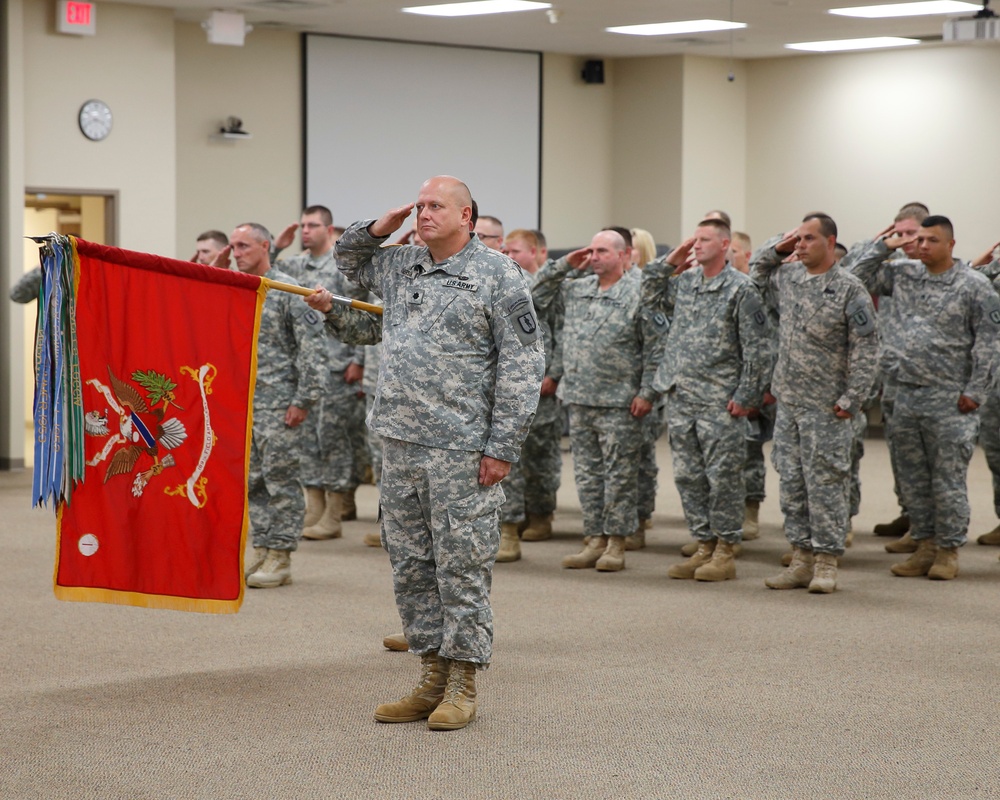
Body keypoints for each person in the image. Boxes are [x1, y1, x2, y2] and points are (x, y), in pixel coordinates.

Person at [335, 176, 544, 731]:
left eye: (435, 206)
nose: (424, 214)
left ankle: (462, 682)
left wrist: (502, 447)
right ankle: (429, 675)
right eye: (420, 205)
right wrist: (383, 224)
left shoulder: (499, 274)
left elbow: (523, 368)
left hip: (460, 446)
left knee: (461, 567)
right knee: (411, 566)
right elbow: (348, 257)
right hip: (400, 442)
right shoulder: (401, 264)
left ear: (467, 215)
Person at [849, 215, 1000, 580]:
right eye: (918, 239)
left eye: (932, 240)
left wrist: (976, 392)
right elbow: (851, 277)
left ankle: (947, 550)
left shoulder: (974, 285)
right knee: (914, 478)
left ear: (950, 244)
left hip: (949, 398)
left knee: (946, 479)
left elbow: (989, 344)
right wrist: (884, 245)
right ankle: (924, 543)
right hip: (903, 394)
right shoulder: (902, 274)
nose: (922, 246)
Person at [751, 213, 879, 594]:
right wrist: (780, 245)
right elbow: (756, 271)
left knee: (825, 483)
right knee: (792, 482)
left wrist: (853, 398)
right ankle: (801, 557)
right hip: (789, 403)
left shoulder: (848, 288)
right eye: (798, 239)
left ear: (830, 241)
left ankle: (826, 562)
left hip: (827, 406)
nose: (801, 245)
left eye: (809, 239)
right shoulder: (787, 277)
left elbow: (867, 347)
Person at [532, 229, 665, 573]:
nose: (595, 257)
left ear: (625, 256)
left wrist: (647, 392)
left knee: (619, 476)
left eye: (604, 251)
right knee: (588, 476)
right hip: (579, 397)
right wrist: (563, 265)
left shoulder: (640, 291)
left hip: (620, 401)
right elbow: (536, 296)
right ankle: (593, 538)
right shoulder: (578, 289)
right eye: (592, 250)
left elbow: (654, 348)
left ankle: (617, 542)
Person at [645, 219, 767, 581]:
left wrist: (746, 394)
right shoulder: (685, 282)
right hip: (683, 396)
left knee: (724, 478)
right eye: (694, 239)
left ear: (725, 244)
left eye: (704, 240)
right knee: (689, 477)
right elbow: (649, 295)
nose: (696, 245)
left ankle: (725, 550)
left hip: (720, 400)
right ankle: (703, 545)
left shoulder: (742, 289)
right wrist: (671, 261)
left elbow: (758, 348)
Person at [219, 223, 327, 588]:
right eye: (233, 246)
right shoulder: (236, 290)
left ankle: (281, 555)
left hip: (280, 404)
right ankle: (263, 548)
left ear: (265, 246)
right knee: (253, 481)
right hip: (244, 403)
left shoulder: (287, 291)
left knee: (280, 480)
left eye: (244, 246)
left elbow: (312, 352)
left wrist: (303, 400)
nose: (237, 253)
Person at [274, 205, 371, 540]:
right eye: (303, 225)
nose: (305, 231)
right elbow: (265, 270)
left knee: (333, 438)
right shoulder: (297, 265)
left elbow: (368, 310)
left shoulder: (343, 266)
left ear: (329, 230)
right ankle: (313, 504)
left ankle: (335, 510)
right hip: (305, 365)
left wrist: (359, 358)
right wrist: (277, 245)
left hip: (338, 363)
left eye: (313, 225)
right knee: (309, 439)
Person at [839, 203, 929, 553]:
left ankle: (929, 529)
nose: (903, 241)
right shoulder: (892, 270)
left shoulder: (942, 271)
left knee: (932, 459)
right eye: (898, 233)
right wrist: (878, 244)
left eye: (911, 234)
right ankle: (911, 516)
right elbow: (850, 274)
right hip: (893, 374)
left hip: (934, 379)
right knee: (902, 453)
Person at [495, 229, 564, 559]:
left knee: (541, 457)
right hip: (509, 383)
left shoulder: (552, 287)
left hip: (543, 383)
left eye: (517, 251)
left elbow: (565, 332)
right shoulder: (504, 283)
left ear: (538, 252)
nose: (509, 255)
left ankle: (540, 513)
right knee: (511, 456)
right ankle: (510, 525)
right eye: (505, 249)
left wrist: (554, 373)